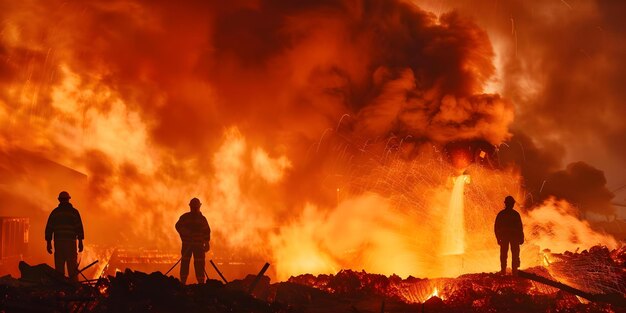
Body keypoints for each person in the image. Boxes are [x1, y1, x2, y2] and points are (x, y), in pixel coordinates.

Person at [45, 191, 84, 281]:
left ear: (59, 200)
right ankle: (74, 288)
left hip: (59, 243)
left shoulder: (55, 213)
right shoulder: (74, 212)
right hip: (71, 243)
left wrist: (48, 243)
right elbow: (79, 228)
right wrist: (80, 242)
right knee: (72, 268)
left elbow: (49, 228)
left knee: (59, 267)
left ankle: (60, 288)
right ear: (68, 199)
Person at [175, 197, 211, 284]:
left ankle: (201, 283)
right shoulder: (184, 218)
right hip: (187, 245)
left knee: (199, 264)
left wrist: (206, 243)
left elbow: (207, 231)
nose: (195, 208)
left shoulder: (202, 219)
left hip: (198, 246)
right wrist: (185, 233)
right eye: (193, 207)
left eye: (196, 207)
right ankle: (183, 282)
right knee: (185, 263)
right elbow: (178, 226)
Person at [494, 195, 524, 275]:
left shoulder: (501, 214)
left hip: (505, 237)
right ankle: (513, 271)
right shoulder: (515, 214)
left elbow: (496, 227)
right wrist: (521, 238)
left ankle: (505, 270)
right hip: (513, 237)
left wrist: (498, 238)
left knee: (505, 254)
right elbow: (520, 227)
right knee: (514, 253)